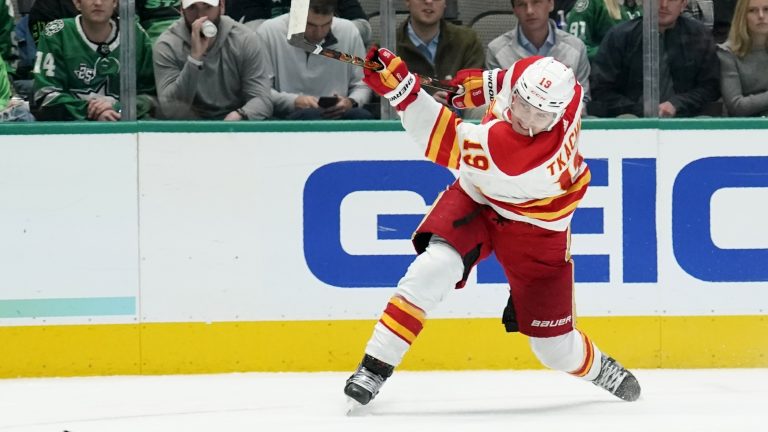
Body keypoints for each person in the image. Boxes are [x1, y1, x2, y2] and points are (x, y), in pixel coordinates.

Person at [343, 47, 642, 407]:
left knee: (554, 351)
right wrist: (486, 85)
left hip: (537, 228)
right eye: (522, 105)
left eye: (538, 115)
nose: (525, 119)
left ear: (558, 115)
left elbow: (440, 135)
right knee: (431, 270)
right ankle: (374, 367)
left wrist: (402, 90)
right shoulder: (562, 85)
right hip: (479, 196)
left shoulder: (523, 154)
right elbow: (510, 77)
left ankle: (599, 369)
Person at [589, 0, 720, 117]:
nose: (663, 5)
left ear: (683, 4)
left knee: (704, 121)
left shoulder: (699, 36)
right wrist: (639, 109)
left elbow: (710, 87)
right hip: (632, 122)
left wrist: (677, 104)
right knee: (627, 119)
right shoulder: (619, 37)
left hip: (685, 118)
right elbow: (601, 89)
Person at [31, 0, 157, 120]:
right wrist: (91, 111)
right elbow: (45, 95)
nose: (98, 3)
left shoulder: (135, 34)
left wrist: (117, 109)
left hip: (125, 126)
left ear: (115, 2)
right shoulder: (56, 34)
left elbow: (151, 96)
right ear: (77, 3)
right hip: (72, 131)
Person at [153, 0, 273, 120]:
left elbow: (262, 99)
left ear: (221, 6)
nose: (201, 16)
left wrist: (240, 115)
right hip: (188, 127)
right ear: (181, 10)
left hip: (235, 125)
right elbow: (169, 109)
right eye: (192, 8)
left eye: (208, 7)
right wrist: (194, 60)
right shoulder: (167, 45)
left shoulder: (244, 39)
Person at [256, 0, 371, 120]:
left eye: (326, 24)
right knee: (310, 115)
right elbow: (260, 90)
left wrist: (351, 102)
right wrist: (293, 101)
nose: (319, 33)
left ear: (334, 16)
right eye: (310, 25)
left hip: (337, 113)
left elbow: (362, 85)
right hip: (288, 115)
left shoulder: (349, 31)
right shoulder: (268, 32)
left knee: (361, 116)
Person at [487, 0, 591, 103]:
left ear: (551, 4)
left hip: (566, 117)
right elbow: (497, 104)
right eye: (521, 5)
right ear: (515, 11)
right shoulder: (497, 51)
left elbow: (582, 100)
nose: (529, 11)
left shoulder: (576, 48)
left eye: (536, 2)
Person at [396, 0, 485, 115]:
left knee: (482, 109)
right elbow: (384, 97)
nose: (428, 1)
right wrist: (427, 104)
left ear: (445, 2)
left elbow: (476, 85)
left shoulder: (467, 40)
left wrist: (453, 97)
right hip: (410, 119)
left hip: (459, 117)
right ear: (407, 1)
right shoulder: (389, 46)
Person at [227, 0, 372, 45]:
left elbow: (363, 29)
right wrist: (303, 25)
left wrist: (321, 26)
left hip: (326, 60)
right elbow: (250, 32)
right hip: (273, 68)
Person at [716, 0, 768, 116]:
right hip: (743, 127)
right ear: (742, 16)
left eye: (766, 9)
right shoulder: (727, 53)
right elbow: (736, 106)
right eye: (752, 10)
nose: (761, 16)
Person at [565, 0, 642, 60]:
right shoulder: (590, 3)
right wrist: (612, 52)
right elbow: (576, 51)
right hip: (599, 74)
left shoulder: (630, 7)